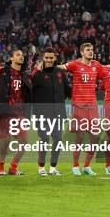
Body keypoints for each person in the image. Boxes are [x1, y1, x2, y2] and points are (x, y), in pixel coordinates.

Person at [57, 43, 102, 176]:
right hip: (79, 106)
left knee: (95, 136)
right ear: (82, 52)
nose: (91, 52)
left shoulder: (96, 65)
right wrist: (47, 66)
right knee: (80, 137)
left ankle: (87, 166)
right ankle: (75, 165)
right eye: (88, 50)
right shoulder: (75, 64)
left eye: (92, 49)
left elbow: (108, 71)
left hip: (92, 106)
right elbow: (61, 68)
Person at [31, 47, 70, 176]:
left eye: (51, 58)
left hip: (58, 112)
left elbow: (67, 90)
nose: (48, 60)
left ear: (55, 58)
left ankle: (53, 168)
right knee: (44, 140)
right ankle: (41, 168)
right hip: (42, 114)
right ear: (43, 58)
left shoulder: (60, 72)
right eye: (46, 57)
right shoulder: (37, 74)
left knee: (58, 140)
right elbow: (30, 91)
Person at [0, 49, 32, 175]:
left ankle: (13, 167)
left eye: (22, 55)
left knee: (24, 141)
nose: (21, 57)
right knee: (5, 141)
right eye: (18, 55)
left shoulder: (25, 75)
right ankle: (1, 167)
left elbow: (28, 96)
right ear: (11, 58)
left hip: (20, 113)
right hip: (6, 112)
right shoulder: (3, 72)